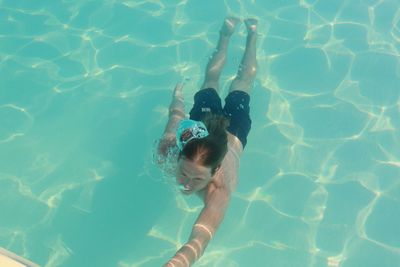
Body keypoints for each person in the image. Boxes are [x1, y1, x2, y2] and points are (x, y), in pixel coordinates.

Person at [156, 17, 258, 267]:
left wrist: (176, 263)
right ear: (179, 156)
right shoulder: (173, 146)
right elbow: (176, 117)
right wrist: (177, 98)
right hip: (205, 120)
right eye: (184, 172)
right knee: (211, 79)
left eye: (198, 179)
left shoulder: (219, 190)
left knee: (242, 81)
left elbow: (201, 237)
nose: (187, 184)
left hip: (235, 131)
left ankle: (252, 37)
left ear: (215, 172)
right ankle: (224, 36)